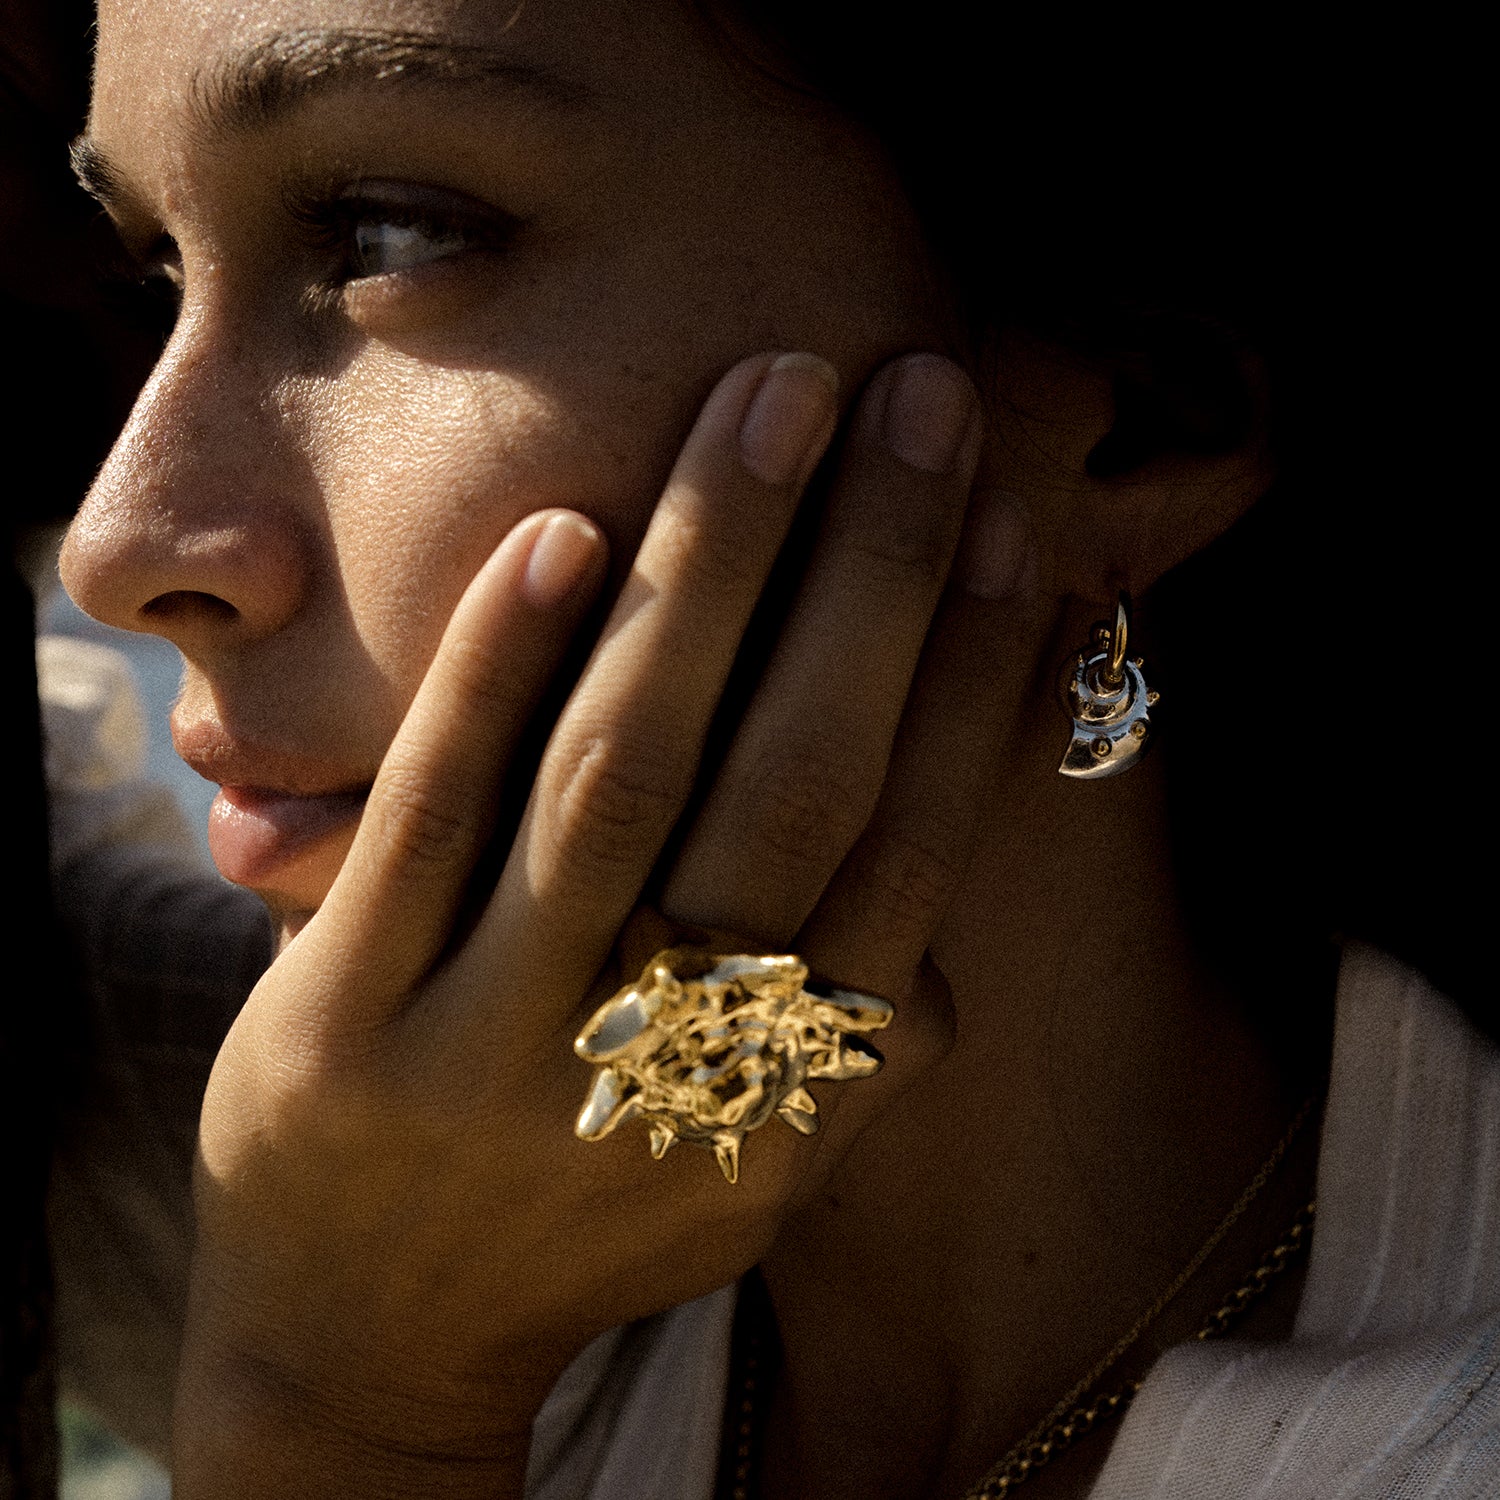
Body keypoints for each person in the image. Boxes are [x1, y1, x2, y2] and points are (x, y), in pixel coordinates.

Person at [51, 1, 1494, 1496]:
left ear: (1137, 423)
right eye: (154, 274)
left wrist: (345, 1412)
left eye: (391, 238)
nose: (118, 543)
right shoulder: (306, 1164)